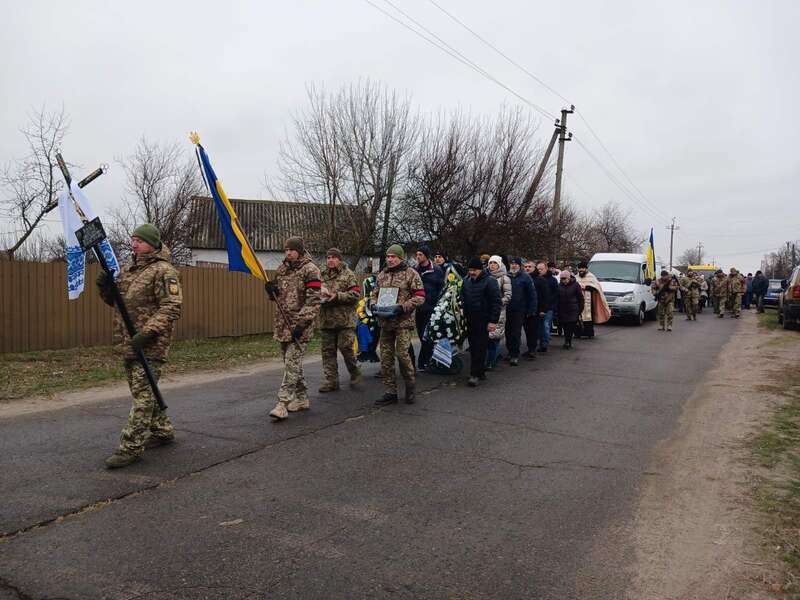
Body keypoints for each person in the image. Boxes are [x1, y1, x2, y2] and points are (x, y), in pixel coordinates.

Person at [97, 224, 182, 468]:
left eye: (140, 241)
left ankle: (130, 447)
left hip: (151, 344)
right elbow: (116, 303)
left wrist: (147, 333)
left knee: (143, 397)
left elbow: (172, 306)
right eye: (132, 240)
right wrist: (105, 287)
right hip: (128, 341)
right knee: (140, 392)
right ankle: (162, 431)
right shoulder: (128, 270)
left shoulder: (164, 271)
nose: (134, 244)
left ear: (152, 244)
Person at [265, 237, 322, 421]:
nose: (288, 252)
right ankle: (303, 398)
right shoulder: (282, 269)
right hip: (283, 324)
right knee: (292, 363)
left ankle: (282, 404)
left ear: (299, 250)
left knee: (291, 362)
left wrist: (302, 323)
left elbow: (314, 300)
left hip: (300, 325)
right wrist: (271, 291)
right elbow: (280, 296)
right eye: (286, 249)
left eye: (291, 249)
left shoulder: (310, 269)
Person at [371, 244, 425, 406]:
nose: (390, 259)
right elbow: (374, 294)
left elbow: (420, 296)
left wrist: (402, 307)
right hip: (385, 322)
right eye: (388, 257)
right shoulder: (382, 275)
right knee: (386, 358)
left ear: (400, 258)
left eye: (393, 257)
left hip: (403, 322)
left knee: (402, 355)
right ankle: (390, 391)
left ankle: (410, 386)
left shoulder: (411, 274)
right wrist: (373, 305)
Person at [318, 248, 362, 393]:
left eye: (333, 257)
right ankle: (331, 381)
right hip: (327, 319)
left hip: (344, 320)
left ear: (339, 259)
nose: (330, 260)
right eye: (328, 257)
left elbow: (355, 294)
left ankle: (354, 371)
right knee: (327, 351)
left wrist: (337, 296)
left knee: (346, 348)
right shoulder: (321, 275)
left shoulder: (348, 274)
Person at [461, 258, 501, 387]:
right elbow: (463, 297)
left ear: (480, 270)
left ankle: (475, 374)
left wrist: (493, 321)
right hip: (470, 319)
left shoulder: (490, 281)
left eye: (474, 270)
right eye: (470, 270)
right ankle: (480, 371)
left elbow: (496, 302)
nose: (472, 272)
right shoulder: (466, 281)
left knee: (480, 347)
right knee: (474, 347)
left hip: (483, 320)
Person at [413, 245, 445, 370]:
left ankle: (423, 361)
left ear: (426, 256)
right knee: (421, 335)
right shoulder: (414, 270)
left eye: (420, 254)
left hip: (431, 307)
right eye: (417, 254)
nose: (417, 257)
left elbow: (441, 288)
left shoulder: (436, 270)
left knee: (426, 335)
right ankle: (429, 357)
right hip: (418, 308)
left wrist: (438, 304)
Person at [506, 257, 537, 366]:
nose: (513, 266)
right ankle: (510, 351)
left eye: (516, 264)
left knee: (515, 332)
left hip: (519, 310)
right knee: (508, 332)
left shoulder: (526, 277)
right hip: (507, 309)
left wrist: (532, 309)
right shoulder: (506, 276)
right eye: (512, 264)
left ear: (519, 266)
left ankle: (514, 355)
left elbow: (532, 294)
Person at [486, 255, 512, 370]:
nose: (492, 265)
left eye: (495, 263)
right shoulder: (485, 276)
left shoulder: (504, 278)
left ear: (500, 264)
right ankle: (489, 359)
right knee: (486, 338)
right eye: (490, 263)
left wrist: (496, 303)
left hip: (499, 311)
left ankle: (491, 362)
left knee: (494, 338)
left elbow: (508, 296)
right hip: (486, 311)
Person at [575, 261, 610, 339]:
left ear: (586, 269)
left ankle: (589, 333)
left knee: (588, 317)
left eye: (583, 268)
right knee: (578, 317)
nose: (581, 270)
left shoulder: (591, 276)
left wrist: (586, 287)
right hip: (578, 301)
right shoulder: (576, 277)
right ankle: (578, 333)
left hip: (589, 301)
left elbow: (596, 287)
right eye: (580, 268)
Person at [524, 260, 547, 357]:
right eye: (525, 267)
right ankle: (530, 348)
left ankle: (532, 349)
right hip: (524, 309)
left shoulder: (540, 279)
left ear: (534, 268)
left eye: (530, 266)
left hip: (536, 309)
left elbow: (545, 296)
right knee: (527, 330)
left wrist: (542, 309)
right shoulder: (523, 278)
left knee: (533, 330)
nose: (527, 268)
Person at [555, 270, 584, 349]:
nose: (563, 280)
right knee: (565, 325)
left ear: (569, 278)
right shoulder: (559, 285)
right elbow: (556, 298)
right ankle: (566, 340)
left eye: (565, 279)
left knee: (570, 326)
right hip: (562, 309)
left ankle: (568, 341)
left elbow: (580, 298)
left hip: (573, 309)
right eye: (562, 279)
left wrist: (580, 310)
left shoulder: (575, 285)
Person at [536, 261, 558, 352]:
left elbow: (556, 294)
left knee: (545, 326)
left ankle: (544, 344)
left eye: (541, 269)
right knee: (538, 326)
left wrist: (552, 307)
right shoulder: (535, 278)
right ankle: (540, 341)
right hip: (537, 307)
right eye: (538, 269)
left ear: (546, 269)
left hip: (548, 307)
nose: (540, 271)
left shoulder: (552, 280)